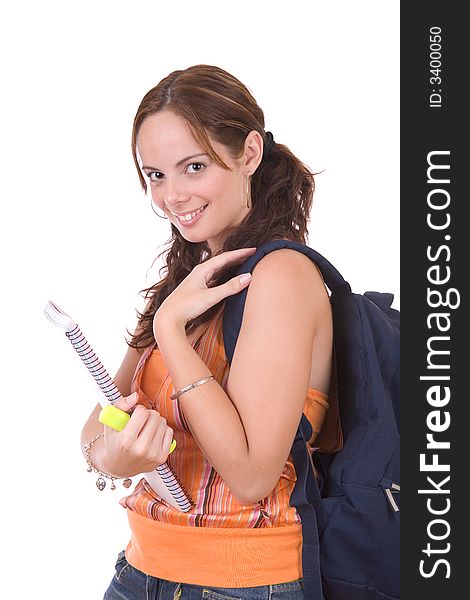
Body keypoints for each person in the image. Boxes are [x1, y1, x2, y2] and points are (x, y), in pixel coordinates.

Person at [80, 64, 333, 600]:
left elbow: (250, 476)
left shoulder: (281, 277)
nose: (172, 196)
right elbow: (95, 428)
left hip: (242, 586)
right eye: (155, 175)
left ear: (249, 153)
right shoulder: (188, 279)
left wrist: (171, 328)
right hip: (139, 572)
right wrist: (116, 458)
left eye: (193, 167)